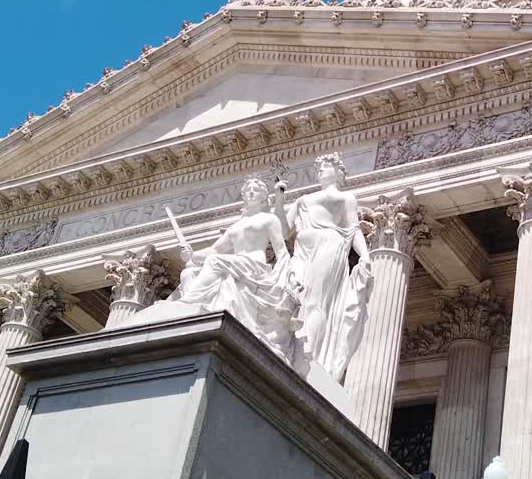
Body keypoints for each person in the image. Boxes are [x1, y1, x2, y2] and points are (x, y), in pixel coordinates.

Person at [128, 177, 298, 363]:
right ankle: (196, 311)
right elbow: (214, 250)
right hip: (235, 264)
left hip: (254, 267)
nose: (250, 192)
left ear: (264, 196)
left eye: (255, 190)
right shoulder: (236, 225)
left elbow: (281, 250)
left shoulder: (269, 219)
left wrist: (286, 277)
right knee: (189, 272)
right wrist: (192, 255)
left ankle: (190, 301)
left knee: (216, 263)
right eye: (248, 189)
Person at [276, 153, 373, 382]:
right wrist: (279, 201)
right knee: (291, 294)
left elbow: (353, 229)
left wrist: (366, 256)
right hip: (302, 249)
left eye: (326, 166)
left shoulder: (345, 198)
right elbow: (282, 231)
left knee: (315, 301)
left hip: (329, 247)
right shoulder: (302, 200)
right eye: (318, 167)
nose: (320, 170)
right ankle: (288, 344)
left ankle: (310, 356)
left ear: (339, 173)